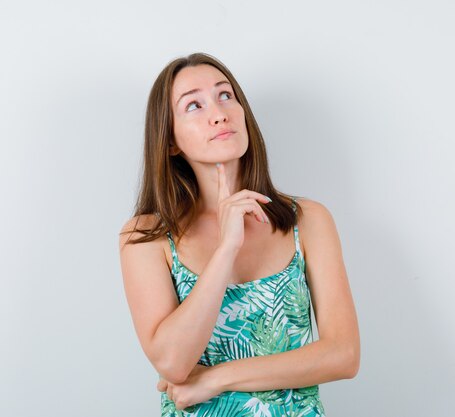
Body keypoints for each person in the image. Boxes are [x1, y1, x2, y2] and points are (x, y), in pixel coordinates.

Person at [118, 52, 360, 416]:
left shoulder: (307, 220)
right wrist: (226, 248)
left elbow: (344, 354)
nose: (219, 113)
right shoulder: (146, 237)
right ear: (170, 141)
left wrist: (216, 378)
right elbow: (172, 362)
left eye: (225, 95)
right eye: (194, 105)